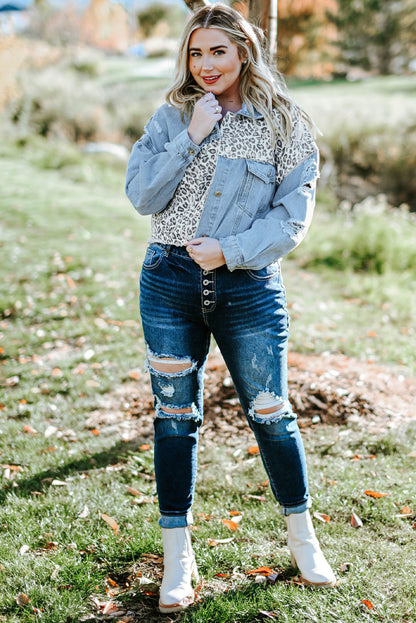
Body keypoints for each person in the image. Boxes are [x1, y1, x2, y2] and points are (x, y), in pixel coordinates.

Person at [125, 3, 336, 614]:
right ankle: (178, 561)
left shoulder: (285, 123)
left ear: (244, 50)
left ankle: (303, 541)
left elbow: (293, 215)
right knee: (173, 418)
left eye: (218, 50)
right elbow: (142, 194)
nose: (206, 64)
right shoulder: (172, 117)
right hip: (168, 282)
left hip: (248, 288)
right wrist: (190, 138)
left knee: (271, 413)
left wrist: (231, 250)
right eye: (196, 52)